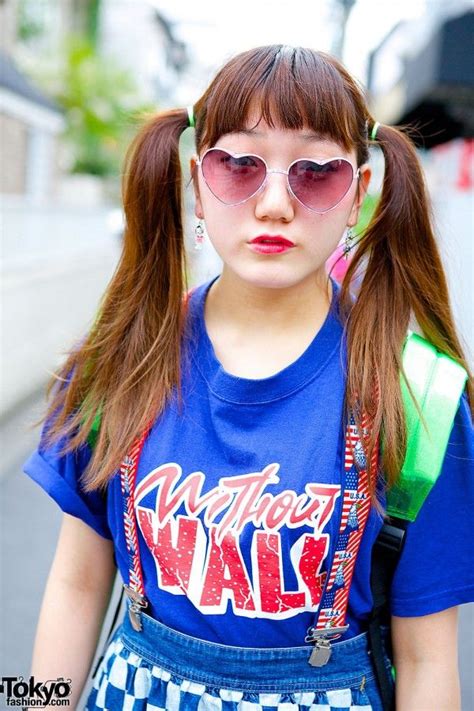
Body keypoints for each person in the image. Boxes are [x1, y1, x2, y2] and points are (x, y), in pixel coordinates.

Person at [23, 45, 473, 711]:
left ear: (359, 195)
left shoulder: (418, 395)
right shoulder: (120, 359)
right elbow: (76, 585)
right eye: (238, 165)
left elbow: (429, 655)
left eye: (316, 172)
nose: (273, 204)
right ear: (197, 183)